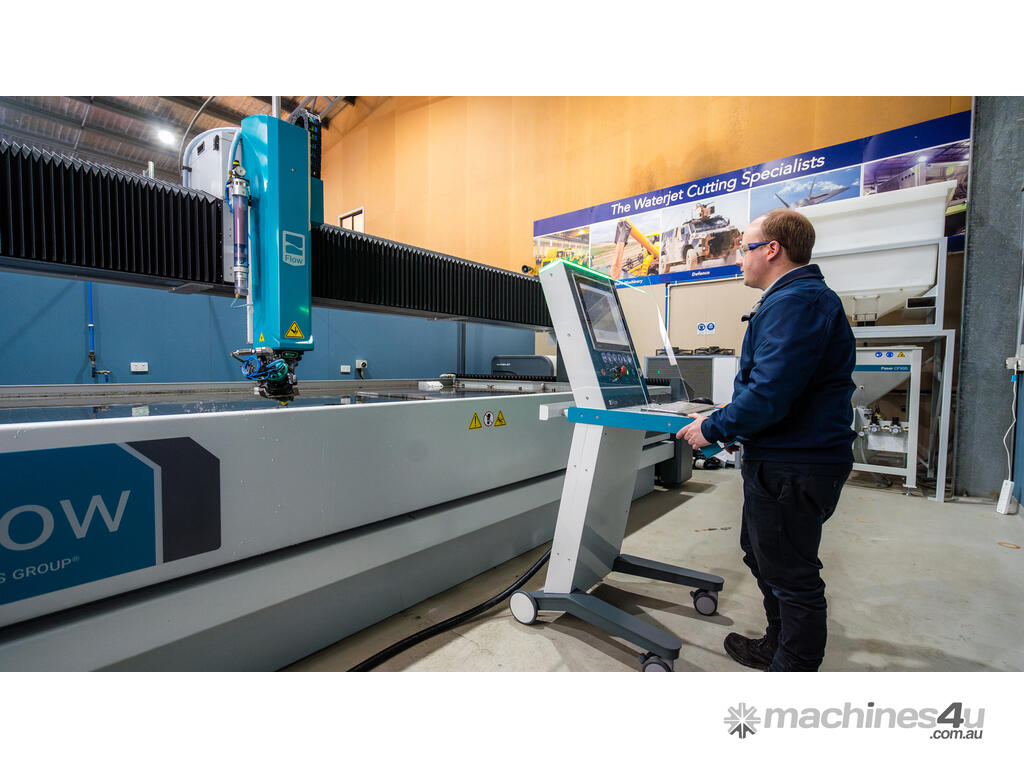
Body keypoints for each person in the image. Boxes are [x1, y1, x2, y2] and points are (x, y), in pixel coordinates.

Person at [676, 208, 855, 672]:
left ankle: (792, 668)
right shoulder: (793, 300)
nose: (739, 257)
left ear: (772, 250)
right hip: (783, 457)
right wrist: (731, 419)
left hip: (795, 464)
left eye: (745, 248)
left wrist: (712, 428)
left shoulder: (797, 302)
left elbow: (771, 394)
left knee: (791, 575)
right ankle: (777, 644)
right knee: (763, 555)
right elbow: (778, 388)